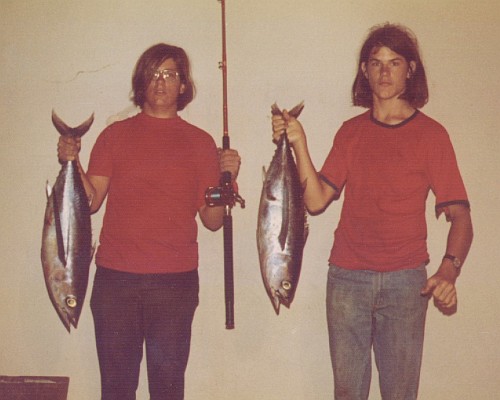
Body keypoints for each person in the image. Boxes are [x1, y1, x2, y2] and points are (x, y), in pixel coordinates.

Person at [272, 23, 473, 400]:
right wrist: (298, 141)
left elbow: (462, 218)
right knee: (348, 393)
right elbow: (315, 201)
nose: (384, 72)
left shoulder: (432, 135)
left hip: (406, 283)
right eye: (376, 63)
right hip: (347, 279)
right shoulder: (350, 132)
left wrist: (448, 270)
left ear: (410, 69)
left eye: (394, 63)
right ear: (364, 70)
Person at [58, 43, 241, 400]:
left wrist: (227, 179)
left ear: (183, 85)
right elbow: (91, 202)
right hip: (115, 282)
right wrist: (72, 162)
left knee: (168, 388)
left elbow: (213, 221)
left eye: (170, 74)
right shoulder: (113, 135)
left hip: (175, 284)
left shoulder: (200, 143)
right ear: (142, 82)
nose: (161, 82)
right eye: (154, 74)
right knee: (116, 388)